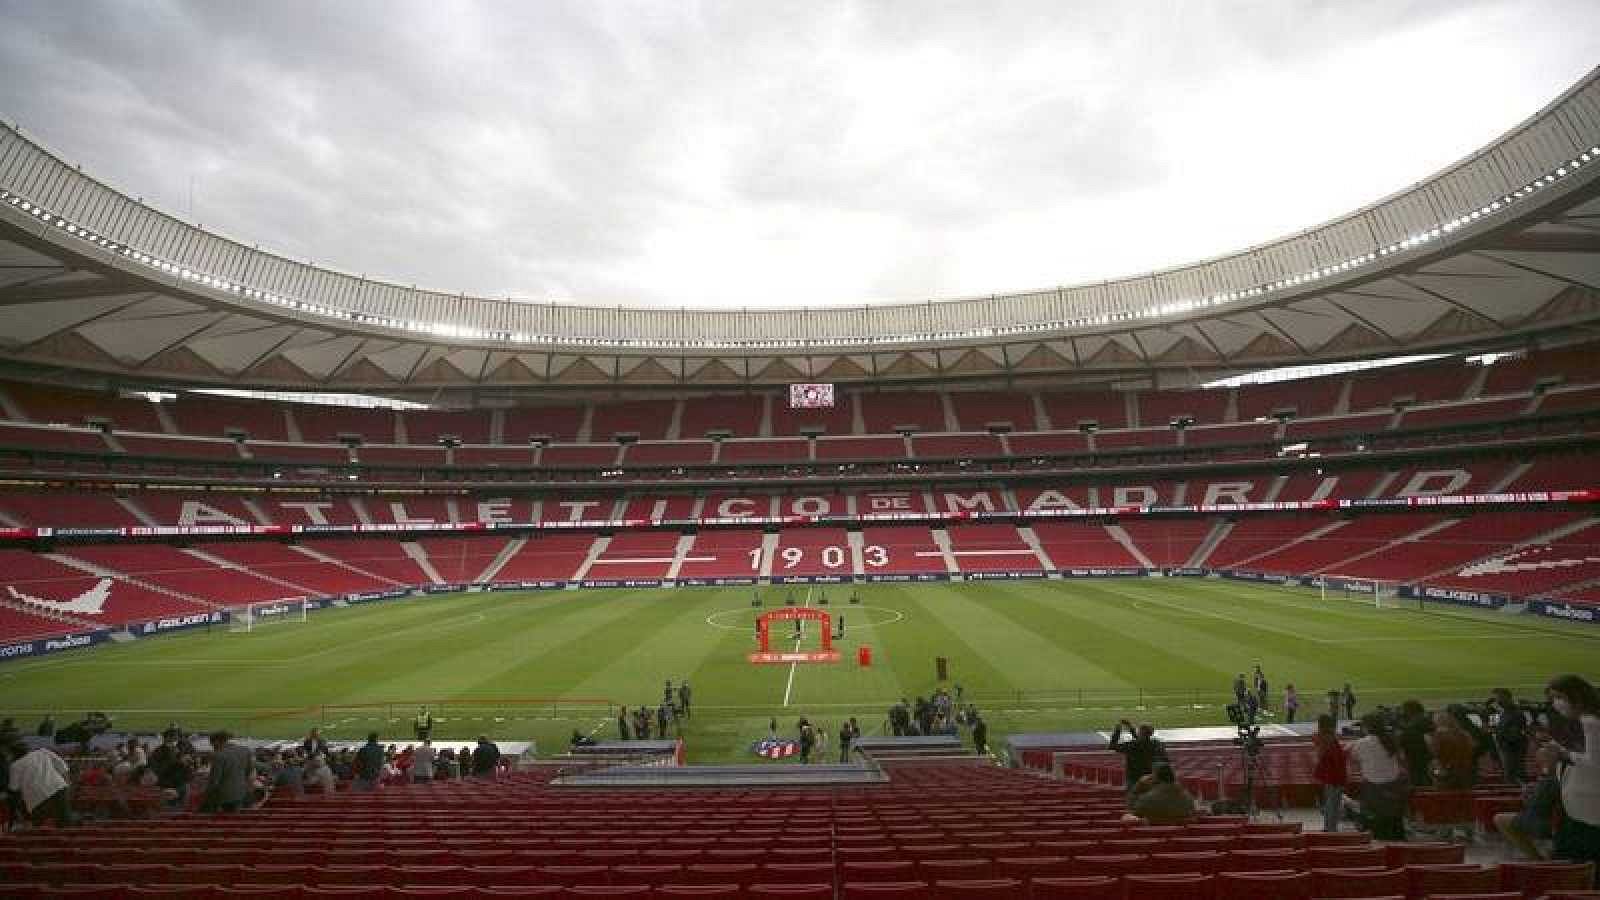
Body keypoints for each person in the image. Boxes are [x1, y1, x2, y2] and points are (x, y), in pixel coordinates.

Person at [1544, 673, 1600, 878]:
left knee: (1579, 861)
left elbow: (1595, 763)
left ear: (1575, 696)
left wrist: (1563, 753)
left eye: (1559, 697)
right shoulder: (1583, 722)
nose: (1556, 703)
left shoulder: (1590, 722)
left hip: (1588, 805)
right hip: (1580, 804)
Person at [1495, 742, 1563, 860]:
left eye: (1540, 762)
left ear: (1548, 761)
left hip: (1546, 824)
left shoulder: (1550, 779)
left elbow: (1537, 807)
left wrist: (1527, 795)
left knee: (1499, 819)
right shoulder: (1562, 775)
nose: (1539, 765)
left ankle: (1535, 857)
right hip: (1561, 822)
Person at [1349, 712, 1408, 840]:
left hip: (1375, 791)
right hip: (1395, 789)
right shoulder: (1391, 740)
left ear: (1367, 727)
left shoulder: (1361, 743)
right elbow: (1402, 762)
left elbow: (1353, 758)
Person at [8, 743, 75, 828]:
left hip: (36, 799)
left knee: (39, 827)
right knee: (65, 822)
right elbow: (63, 767)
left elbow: (14, 789)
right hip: (58, 788)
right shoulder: (43, 752)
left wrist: (22, 813)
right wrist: (68, 785)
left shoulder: (14, 766)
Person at [1109, 719, 1165, 798]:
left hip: (1134, 779)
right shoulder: (1157, 744)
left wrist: (1117, 730)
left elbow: (1112, 746)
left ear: (1140, 733)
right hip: (1150, 778)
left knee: (1134, 801)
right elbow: (1144, 741)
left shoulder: (1134, 745)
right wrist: (1131, 729)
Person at [201, 730, 255, 813]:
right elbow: (249, 771)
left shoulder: (219, 755)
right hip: (241, 792)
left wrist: (206, 793)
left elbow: (214, 780)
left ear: (217, 742)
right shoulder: (245, 750)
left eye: (212, 744)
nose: (213, 747)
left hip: (224, 796)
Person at [1129, 763, 1197, 825]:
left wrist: (1138, 788)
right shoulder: (1188, 798)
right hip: (1181, 835)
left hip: (1153, 835)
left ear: (1155, 779)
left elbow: (1133, 812)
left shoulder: (1146, 799)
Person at [1312, 713, 1347, 832]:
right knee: (1332, 804)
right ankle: (1330, 829)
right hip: (1335, 775)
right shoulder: (1329, 738)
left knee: (1330, 803)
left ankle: (1329, 828)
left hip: (1330, 775)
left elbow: (1321, 754)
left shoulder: (1323, 737)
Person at [1429, 710, 1475, 789]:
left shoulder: (1439, 736)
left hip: (1448, 776)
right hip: (1465, 774)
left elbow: (1437, 755)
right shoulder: (1464, 734)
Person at [1492, 687, 1529, 784]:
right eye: (1496, 699)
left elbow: (1514, 736)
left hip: (1512, 753)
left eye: (1499, 698)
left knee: (1513, 777)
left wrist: (1501, 737)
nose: (1497, 702)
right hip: (1508, 752)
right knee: (1510, 776)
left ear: (1507, 698)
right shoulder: (1506, 712)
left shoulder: (1516, 713)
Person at [1397, 700, 1434, 788]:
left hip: (1416, 769)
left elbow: (1400, 753)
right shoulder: (1432, 723)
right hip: (1431, 767)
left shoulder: (1408, 731)